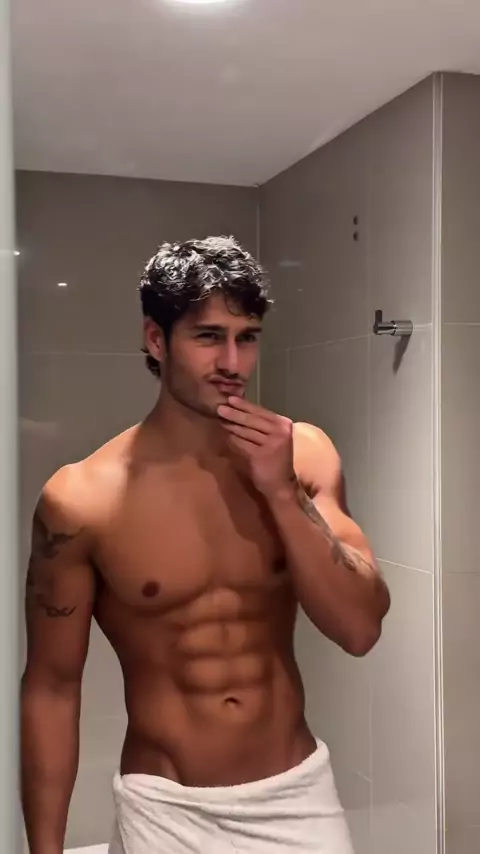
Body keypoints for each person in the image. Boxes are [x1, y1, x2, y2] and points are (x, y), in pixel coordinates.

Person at [21, 236, 390, 854]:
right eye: (208, 336)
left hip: (296, 796)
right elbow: (51, 689)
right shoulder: (82, 499)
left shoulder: (304, 455)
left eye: (248, 337)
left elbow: (361, 629)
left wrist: (281, 493)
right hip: (165, 811)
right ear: (156, 339)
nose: (233, 362)